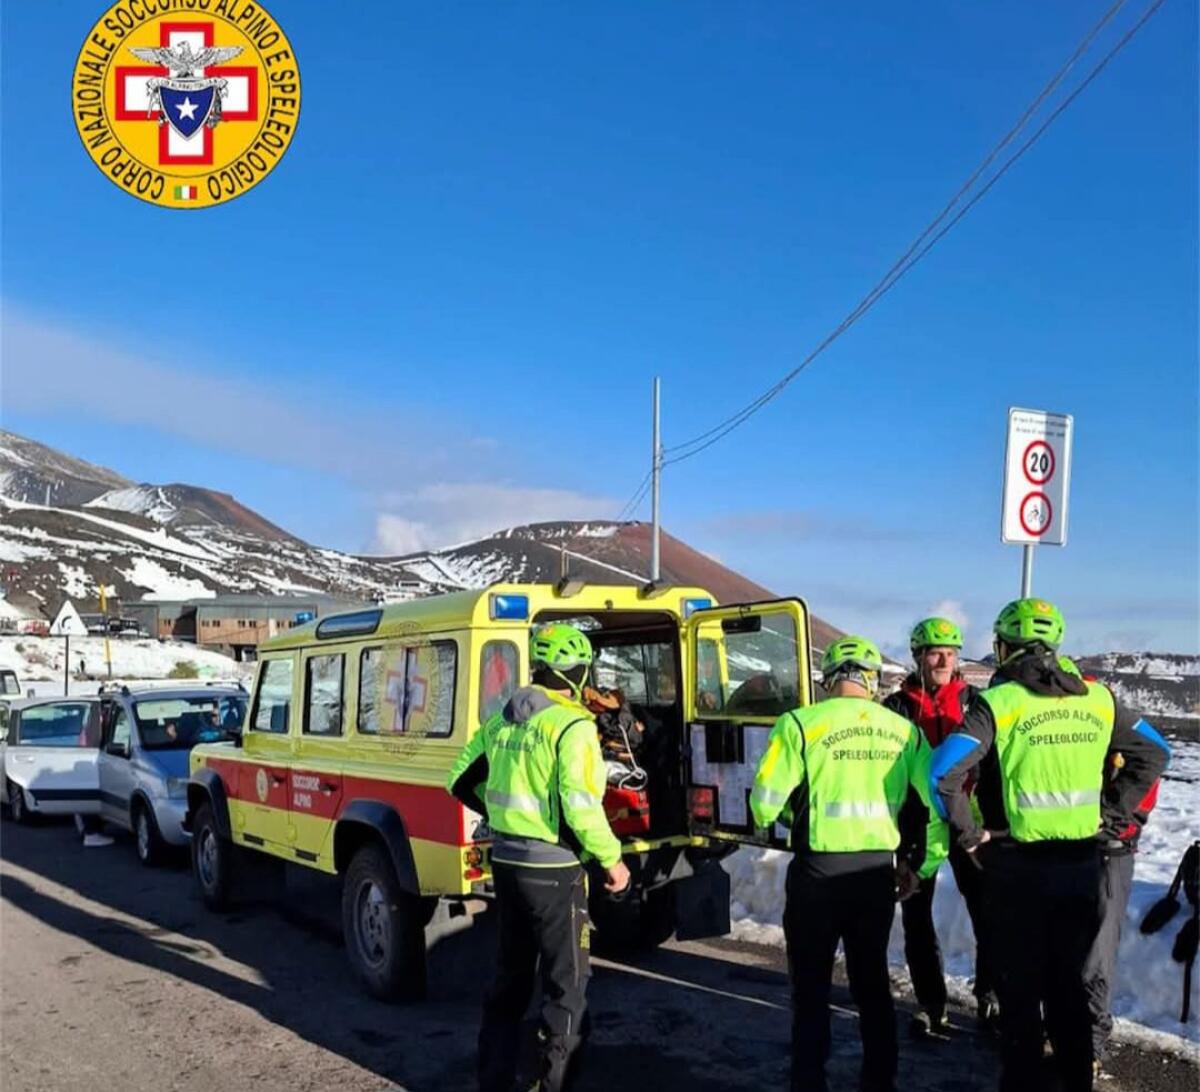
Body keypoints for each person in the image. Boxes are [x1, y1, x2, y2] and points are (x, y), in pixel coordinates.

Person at [932, 598, 1168, 1092]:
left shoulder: (998, 703)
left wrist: (969, 835)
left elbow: (942, 773)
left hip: (1017, 869)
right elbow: (1155, 752)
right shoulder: (1099, 699)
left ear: (1004, 648)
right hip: (1082, 866)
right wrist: (1115, 813)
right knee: (1069, 995)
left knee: (1021, 999)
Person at [447, 623, 630, 1092]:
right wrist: (611, 860)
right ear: (577, 672)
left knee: (510, 978)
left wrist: (506, 817)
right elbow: (580, 806)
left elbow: (458, 780)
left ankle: (494, 1080)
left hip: (508, 867)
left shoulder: (501, 719)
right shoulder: (572, 727)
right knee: (566, 989)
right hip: (555, 872)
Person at [750, 636, 929, 1092]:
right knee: (872, 985)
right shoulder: (904, 730)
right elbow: (931, 801)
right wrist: (916, 862)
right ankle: (879, 1082)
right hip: (875, 875)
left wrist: (794, 814)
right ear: (871, 680)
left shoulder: (800, 723)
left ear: (829, 678)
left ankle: (809, 1083)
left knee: (810, 990)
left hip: (817, 874)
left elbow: (764, 805)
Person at [884, 616, 997, 1036]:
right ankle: (932, 1005)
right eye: (934, 652)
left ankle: (990, 998)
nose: (943, 660)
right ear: (918, 657)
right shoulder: (896, 707)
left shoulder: (976, 703)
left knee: (987, 913)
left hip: (969, 821)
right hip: (917, 825)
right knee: (917, 916)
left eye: (950, 652)